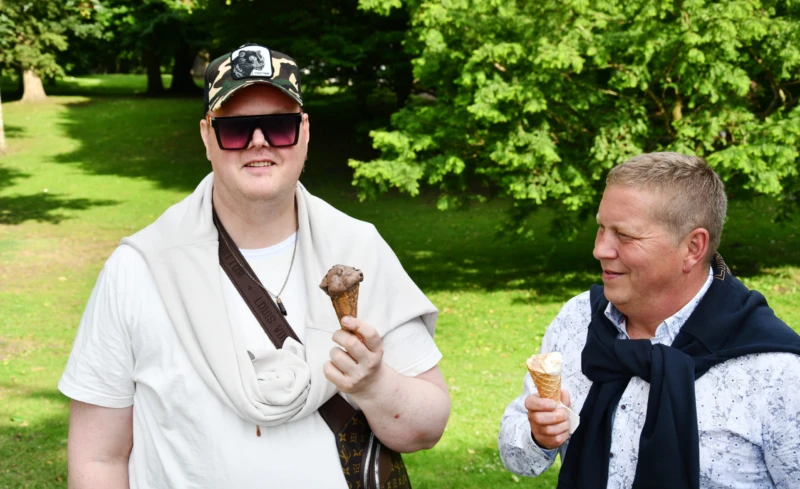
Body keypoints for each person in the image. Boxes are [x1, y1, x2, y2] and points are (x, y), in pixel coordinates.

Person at [59, 43, 450, 488]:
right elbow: (98, 459)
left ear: (303, 133)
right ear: (207, 136)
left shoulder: (360, 249)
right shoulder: (138, 270)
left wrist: (375, 384)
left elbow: (427, 426)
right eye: (235, 129)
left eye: (279, 126)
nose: (259, 142)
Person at [498, 152, 800, 489]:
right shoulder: (577, 320)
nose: (600, 250)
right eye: (601, 228)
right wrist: (539, 436)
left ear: (693, 247)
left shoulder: (777, 373)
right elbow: (518, 458)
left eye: (625, 236)